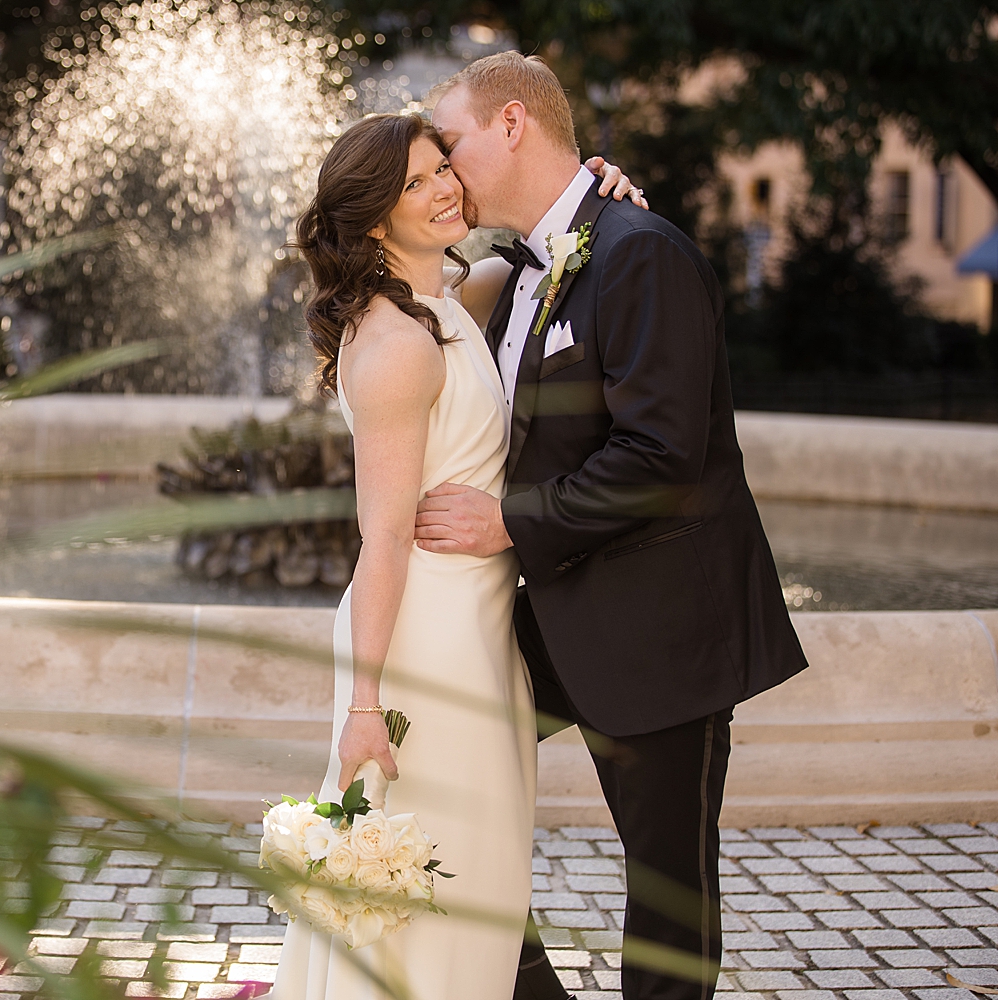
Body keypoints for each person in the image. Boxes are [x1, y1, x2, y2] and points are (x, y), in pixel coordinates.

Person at [414, 52, 809, 1000]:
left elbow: (662, 457)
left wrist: (506, 524)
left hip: (663, 623)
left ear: (513, 124)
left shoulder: (641, 252)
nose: (443, 164)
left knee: (668, 886)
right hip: (557, 611)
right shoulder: (515, 275)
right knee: (436, 776)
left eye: (451, 143)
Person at [264, 111, 644, 1000]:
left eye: (441, 167)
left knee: (479, 879)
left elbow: (541, 258)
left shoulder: (443, 300)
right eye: (413, 185)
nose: (442, 189)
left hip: (481, 629)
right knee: (429, 891)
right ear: (370, 221)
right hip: (425, 647)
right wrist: (365, 702)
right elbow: (383, 538)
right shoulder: (396, 346)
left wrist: (599, 196)